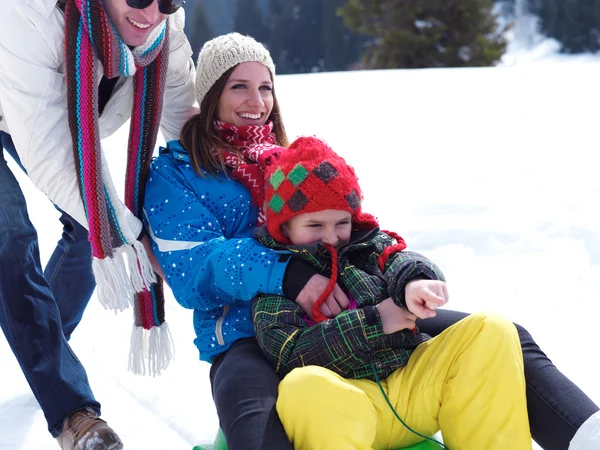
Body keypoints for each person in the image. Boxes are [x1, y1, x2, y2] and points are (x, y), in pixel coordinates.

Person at [144, 32, 599, 450]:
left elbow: (360, 234)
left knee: (499, 339)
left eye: (265, 88)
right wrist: (286, 273)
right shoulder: (178, 173)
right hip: (247, 331)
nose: (256, 101)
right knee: (256, 420)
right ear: (211, 94)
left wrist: (405, 280)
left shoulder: (293, 162)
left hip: (343, 306)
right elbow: (191, 267)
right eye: (238, 86)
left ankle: (586, 433)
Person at [249, 135, 531, 449]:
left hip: (413, 387)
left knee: (491, 330)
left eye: (341, 222)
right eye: (315, 225)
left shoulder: (369, 247)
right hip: (344, 405)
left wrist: (416, 283)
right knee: (302, 386)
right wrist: (376, 320)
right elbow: (290, 355)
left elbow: (401, 260)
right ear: (285, 227)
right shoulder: (278, 285)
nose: (331, 237)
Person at [0, 0, 196, 448]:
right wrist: (132, 236)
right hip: (24, 108)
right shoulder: (28, 11)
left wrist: (250, 189)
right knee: (9, 237)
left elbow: (188, 125)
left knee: (96, 228)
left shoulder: (163, 30)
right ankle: (74, 414)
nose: (153, 12)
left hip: (33, 117)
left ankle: (45, 343)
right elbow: (50, 152)